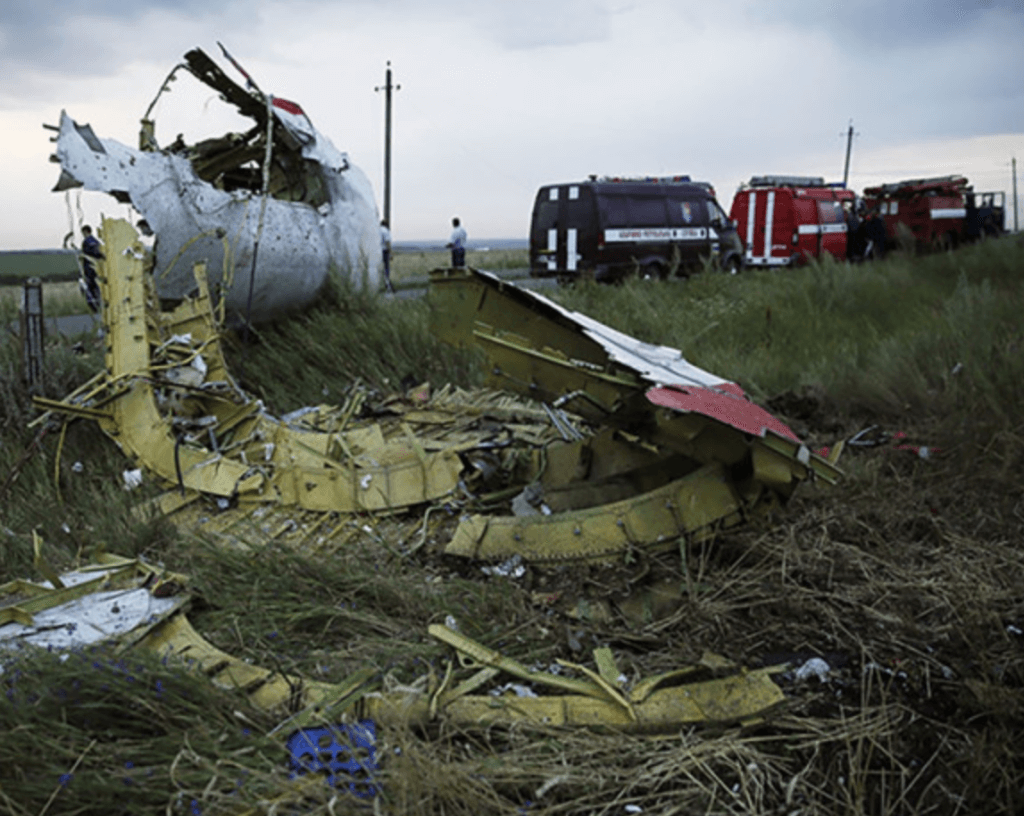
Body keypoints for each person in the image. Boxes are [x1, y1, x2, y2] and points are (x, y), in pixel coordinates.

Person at [80, 225, 104, 313]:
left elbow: (89, 254)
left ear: (86, 232)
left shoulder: (87, 242)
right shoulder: (97, 242)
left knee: (89, 288)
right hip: (97, 268)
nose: (83, 234)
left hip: (89, 269)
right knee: (97, 287)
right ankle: (99, 305)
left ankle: (94, 307)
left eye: (83, 233)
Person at [379, 219, 394, 293]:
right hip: (384, 251)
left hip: (377, 251)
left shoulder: (377, 230)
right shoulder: (385, 231)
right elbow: (387, 242)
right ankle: (387, 284)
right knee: (386, 268)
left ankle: (382, 283)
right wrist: (391, 253)